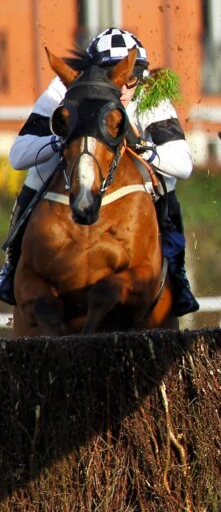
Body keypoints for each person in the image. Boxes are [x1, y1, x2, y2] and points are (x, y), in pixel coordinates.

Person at [0, 28, 199, 315]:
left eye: (130, 78)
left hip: (132, 175)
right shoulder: (62, 89)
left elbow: (183, 163)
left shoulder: (149, 95)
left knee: (164, 181)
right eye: (112, 76)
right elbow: (19, 155)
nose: (123, 88)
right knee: (38, 172)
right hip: (76, 165)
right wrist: (62, 138)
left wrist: (141, 147)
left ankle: (177, 274)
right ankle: (11, 265)